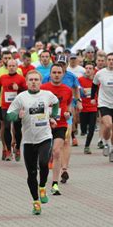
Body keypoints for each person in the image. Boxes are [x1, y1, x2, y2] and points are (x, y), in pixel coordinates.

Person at [6, 70, 59, 215]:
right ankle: (36, 202)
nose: (34, 82)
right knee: (31, 173)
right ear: (27, 82)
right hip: (28, 140)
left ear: (40, 82)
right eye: (31, 80)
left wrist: (54, 115)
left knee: (43, 163)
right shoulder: (21, 97)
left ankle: (42, 187)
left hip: (45, 137)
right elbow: (8, 116)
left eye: (36, 79)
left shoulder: (47, 95)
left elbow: (56, 103)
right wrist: (18, 115)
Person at [41, 64, 72, 195]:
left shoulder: (67, 90)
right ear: (50, 74)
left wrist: (68, 114)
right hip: (44, 125)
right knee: (43, 156)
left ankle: (55, 183)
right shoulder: (43, 89)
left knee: (57, 151)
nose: (57, 75)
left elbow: (68, 106)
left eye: (59, 72)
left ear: (63, 74)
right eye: (54, 72)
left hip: (61, 124)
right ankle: (42, 179)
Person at [0, 59, 26, 161]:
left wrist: (19, 89)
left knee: (17, 129)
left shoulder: (21, 79)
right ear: (7, 67)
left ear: (17, 67)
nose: (12, 67)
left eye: (14, 65)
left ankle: (17, 148)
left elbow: (26, 91)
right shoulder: (3, 77)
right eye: (10, 66)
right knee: (7, 127)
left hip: (17, 107)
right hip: (5, 107)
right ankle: (8, 150)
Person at [78, 62, 98, 154]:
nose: (88, 70)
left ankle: (87, 146)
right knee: (83, 129)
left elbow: (100, 92)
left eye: (90, 68)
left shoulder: (96, 81)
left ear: (94, 70)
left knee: (92, 128)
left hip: (93, 107)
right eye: (86, 68)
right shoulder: (80, 80)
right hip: (83, 107)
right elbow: (77, 91)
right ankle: (83, 131)